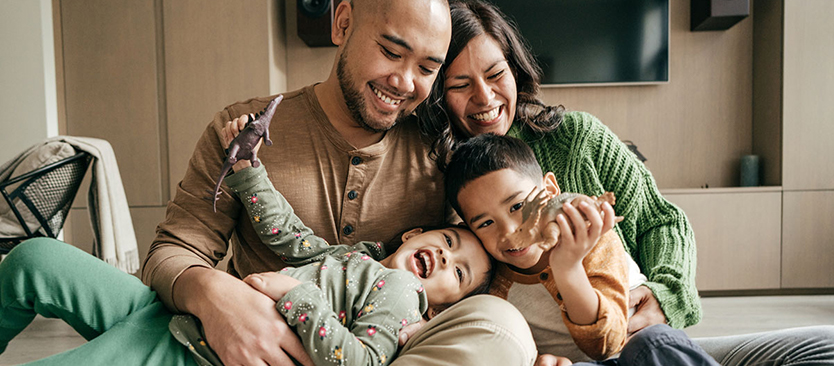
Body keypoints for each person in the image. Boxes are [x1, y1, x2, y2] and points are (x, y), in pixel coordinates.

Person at [417, 1, 834, 365]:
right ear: (437, 93)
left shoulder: (577, 137)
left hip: (641, 338)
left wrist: (665, 297)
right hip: (560, 353)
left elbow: (662, 221)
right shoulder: (432, 170)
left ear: (516, 70)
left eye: (495, 74)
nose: (486, 97)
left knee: (821, 346)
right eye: (461, 85)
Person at [143, 0, 536, 365]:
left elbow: (480, 270)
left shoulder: (442, 157)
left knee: (503, 320)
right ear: (342, 23)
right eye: (391, 52)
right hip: (229, 349)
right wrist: (214, 298)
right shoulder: (243, 129)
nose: (403, 82)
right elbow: (174, 249)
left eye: (427, 69)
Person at [0, 157, 493, 366]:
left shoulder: (404, 297)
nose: (444, 257)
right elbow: (291, 236)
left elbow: (358, 362)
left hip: (199, 355)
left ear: (443, 307)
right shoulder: (357, 258)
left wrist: (297, 297)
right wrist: (248, 174)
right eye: (448, 240)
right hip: (179, 311)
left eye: (459, 271)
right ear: (415, 233)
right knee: (34, 258)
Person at [444, 133, 718, 366]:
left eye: (518, 207)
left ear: (549, 189)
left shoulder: (593, 239)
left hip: (640, 350)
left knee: (652, 342)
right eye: (486, 223)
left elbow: (608, 343)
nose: (509, 231)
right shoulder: (495, 285)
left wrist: (568, 268)